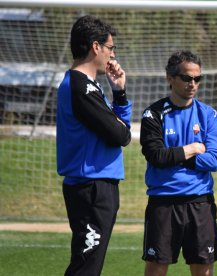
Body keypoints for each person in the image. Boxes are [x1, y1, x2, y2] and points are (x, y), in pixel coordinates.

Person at [56, 15, 132, 276]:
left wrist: (119, 93)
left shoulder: (89, 86)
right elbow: (121, 135)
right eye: (111, 48)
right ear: (96, 47)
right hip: (90, 188)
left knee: (89, 264)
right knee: (86, 266)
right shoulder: (81, 87)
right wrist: (121, 124)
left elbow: (121, 131)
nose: (112, 55)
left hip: (96, 186)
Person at [140, 50, 217, 276]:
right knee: (157, 268)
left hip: (200, 202)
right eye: (186, 78)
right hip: (163, 203)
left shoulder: (208, 115)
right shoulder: (153, 115)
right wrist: (193, 148)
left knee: (203, 269)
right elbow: (156, 156)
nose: (193, 84)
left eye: (197, 79)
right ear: (170, 78)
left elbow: (215, 160)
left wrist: (175, 157)